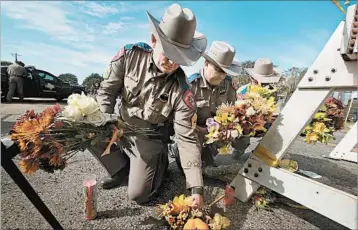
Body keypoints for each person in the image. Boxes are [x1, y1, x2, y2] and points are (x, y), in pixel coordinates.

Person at [88, 3, 207, 207]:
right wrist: (103, 122)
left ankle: (160, 164)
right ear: (154, 40)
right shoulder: (129, 55)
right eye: (169, 52)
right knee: (88, 131)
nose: (171, 62)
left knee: (138, 196)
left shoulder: (182, 90)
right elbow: (107, 92)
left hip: (150, 138)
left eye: (179, 58)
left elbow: (186, 138)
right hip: (121, 127)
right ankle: (123, 171)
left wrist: (195, 187)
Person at [169, 41, 251, 171]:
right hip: (195, 130)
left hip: (217, 129)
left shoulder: (229, 84)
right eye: (218, 70)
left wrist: (228, 129)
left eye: (225, 72)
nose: (222, 75)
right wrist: (204, 131)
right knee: (191, 167)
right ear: (206, 64)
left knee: (244, 131)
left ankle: (229, 153)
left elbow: (233, 112)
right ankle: (178, 149)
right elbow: (182, 122)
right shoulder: (191, 85)